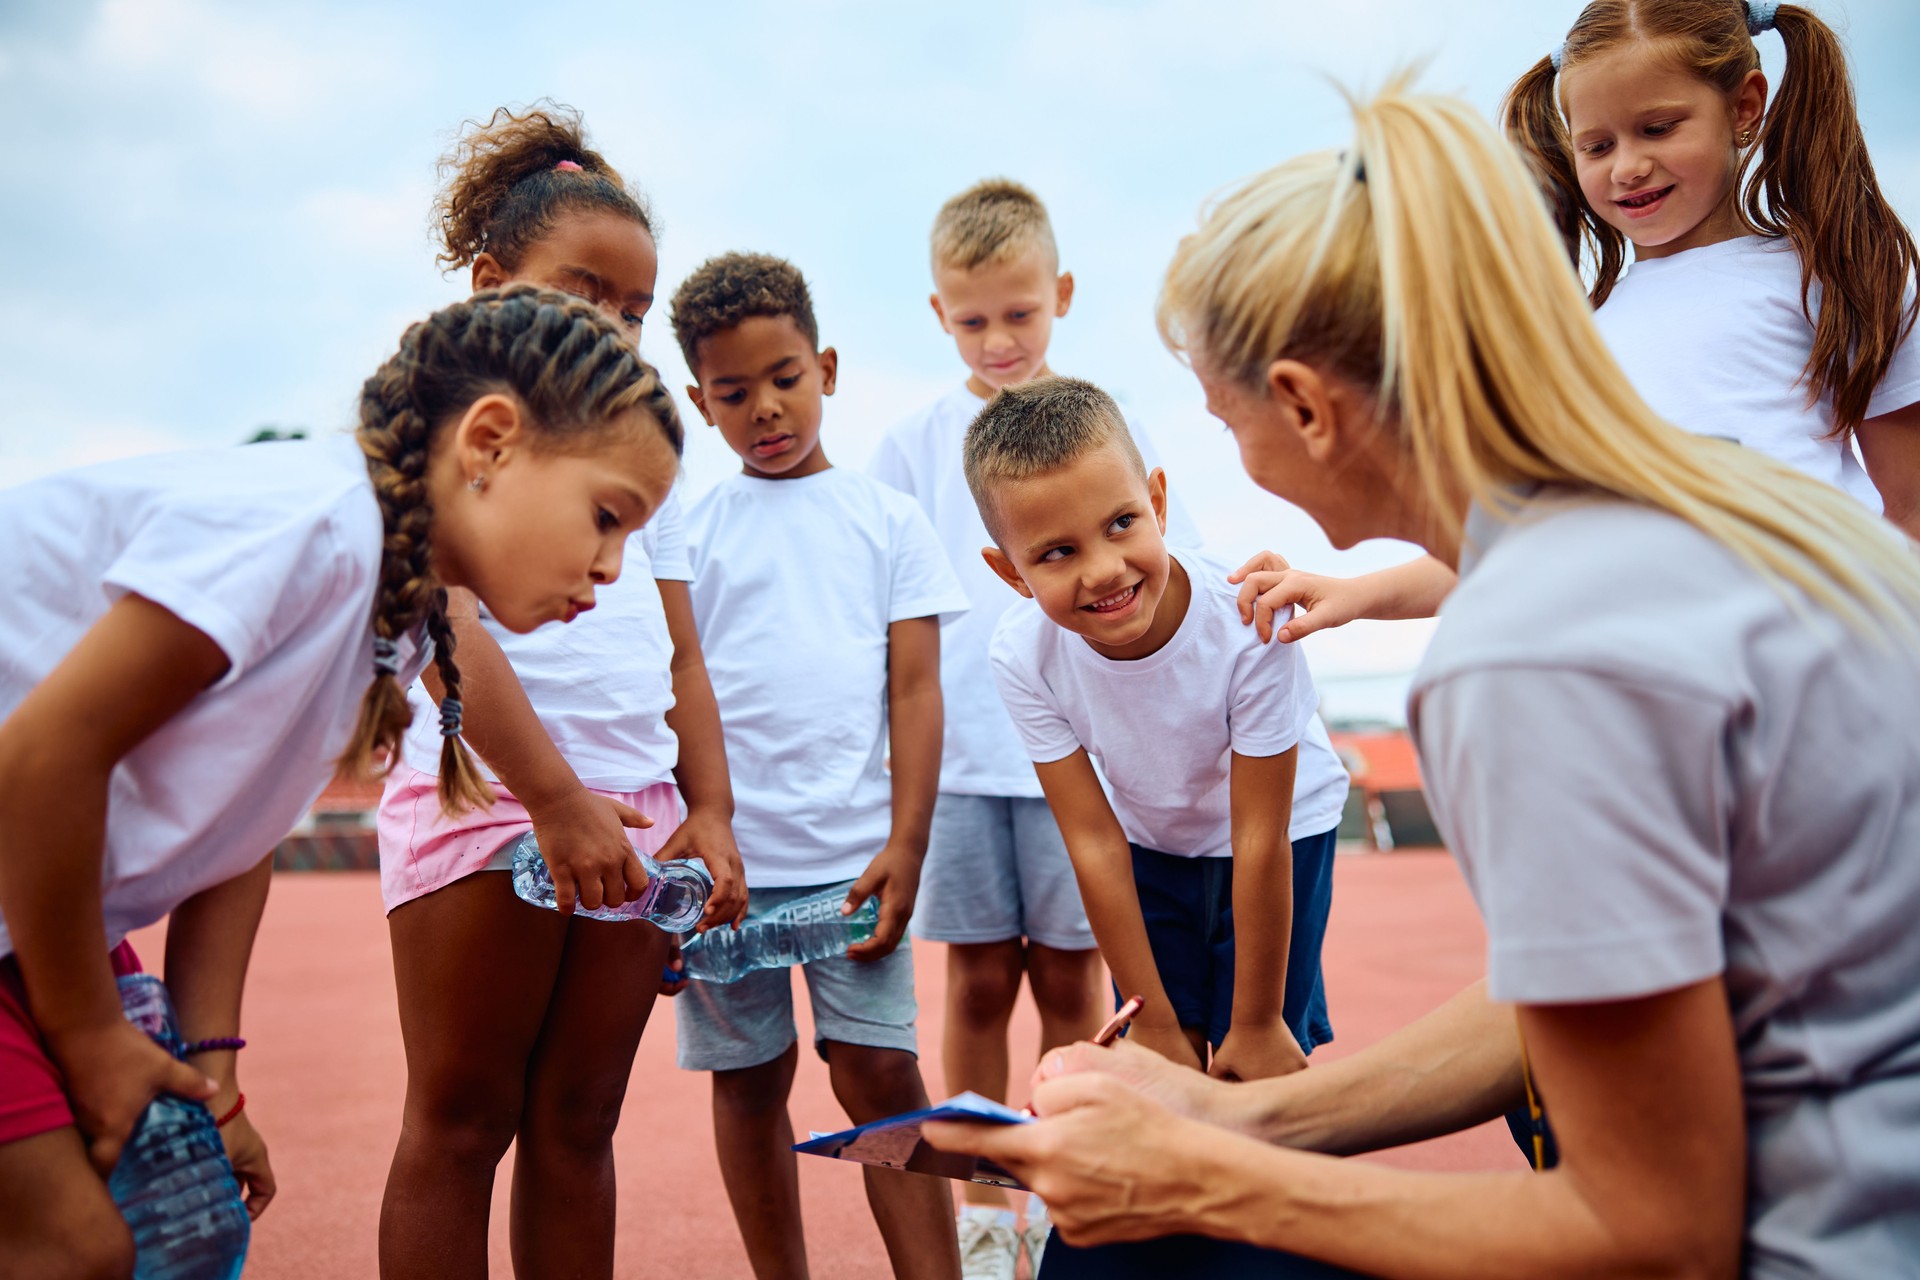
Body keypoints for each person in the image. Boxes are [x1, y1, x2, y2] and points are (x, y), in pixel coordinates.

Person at [925, 78, 1920, 1279]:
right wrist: (1246, 1117)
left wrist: (1200, 1171)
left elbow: (1656, 1226)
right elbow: (1569, 991)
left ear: (1302, 404)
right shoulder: (1708, 497)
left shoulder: (1531, 647)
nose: (1238, 452)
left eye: (1223, 417)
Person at [0, 285, 684, 1280]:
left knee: (136, 1240)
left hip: (33, 905)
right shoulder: (307, 528)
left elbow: (230, 836)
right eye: (605, 515)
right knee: (71, 1245)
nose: (615, 565)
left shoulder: (396, 615)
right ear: (489, 441)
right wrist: (90, 1037)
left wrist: (213, 1071)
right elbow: (42, 757)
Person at [1236, 0, 1920, 646]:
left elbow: (1909, 507)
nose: (1628, 166)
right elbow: (1534, 541)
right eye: (1596, 146)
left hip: (1826, 653)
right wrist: (1354, 594)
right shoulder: (1578, 334)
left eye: (1658, 128)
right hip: (1663, 686)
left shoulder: (1835, 273)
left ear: (1744, 106)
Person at [374, 105, 746, 1280]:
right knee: (464, 1119)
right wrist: (549, 797)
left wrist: (713, 809)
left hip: (634, 807)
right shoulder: (450, 429)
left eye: (634, 313)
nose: (616, 329)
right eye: (587, 296)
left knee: (582, 1123)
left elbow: (684, 654)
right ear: (491, 284)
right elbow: (450, 624)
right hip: (488, 795)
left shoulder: (644, 454)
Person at [869, 178, 1196, 1278]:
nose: (999, 337)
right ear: (939, 316)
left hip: (1079, 761)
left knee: (1072, 982)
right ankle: (982, 1210)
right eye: (974, 320)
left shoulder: (1104, 423)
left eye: (1020, 312)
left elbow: (1162, 569)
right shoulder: (913, 444)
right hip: (960, 762)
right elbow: (886, 605)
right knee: (973, 985)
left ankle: (1068, 1181)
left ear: (1059, 294)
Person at [968, 376, 1349, 1276]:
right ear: (1008, 573)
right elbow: (1093, 841)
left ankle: (1273, 1229)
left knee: (1254, 1064)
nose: (1102, 570)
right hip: (1151, 844)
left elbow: (1260, 838)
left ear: (1160, 502)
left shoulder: (1248, 621)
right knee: (1161, 1062)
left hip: (1281, 836)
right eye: (1055, 553)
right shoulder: (1022, 654)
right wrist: (1148, 1015)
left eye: (1121, 525)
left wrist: (1254, 1020)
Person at [669, 252, 969, 1280]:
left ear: (827, 367)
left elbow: (917, 691)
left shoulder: (888, 520)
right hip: (729, 881)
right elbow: (675, 684)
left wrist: (908, 842)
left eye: (785, 376)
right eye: (733, 391)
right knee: (750, 1080)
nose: (765, 407)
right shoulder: (690, 534)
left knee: (881, 1073)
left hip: (857, 863)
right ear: (700, 402)